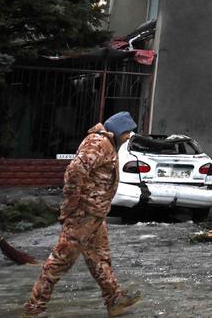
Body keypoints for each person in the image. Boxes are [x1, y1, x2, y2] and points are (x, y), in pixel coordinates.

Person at [22, 112, 141, 317]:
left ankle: (115, 300)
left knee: (99, 258)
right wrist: (72, 204)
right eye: (128, 131)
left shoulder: (107, 144)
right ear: (118, 129)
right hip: (83, 214)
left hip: (95, 214)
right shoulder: (98, 143)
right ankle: (34, 307)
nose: (129, 136)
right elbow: (74, 171)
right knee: (60, 260)